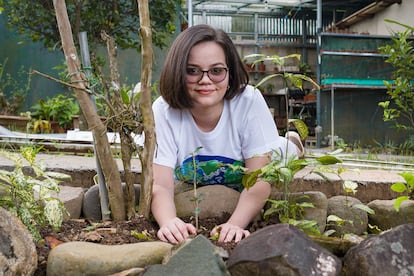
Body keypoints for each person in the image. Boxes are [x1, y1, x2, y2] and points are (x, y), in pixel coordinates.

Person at [151, 24, 302, 244]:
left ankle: (294, 142)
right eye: (192, 70)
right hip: (205, 176)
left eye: (216, 70)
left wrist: (234, 224)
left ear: (230, 73)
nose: (205, 80)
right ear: (177, 71)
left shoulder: (248, 101)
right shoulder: (163, 110)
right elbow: (161, 185)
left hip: (268, 155)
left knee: (285, 154)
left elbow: (259, 182)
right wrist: (168, 221)